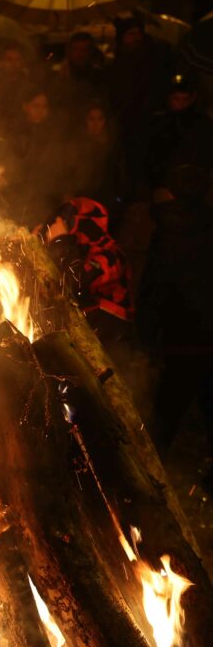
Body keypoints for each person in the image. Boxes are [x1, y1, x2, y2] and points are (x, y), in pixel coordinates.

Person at [136, 165, 213, 476]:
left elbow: (155, 289)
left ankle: (149, 475)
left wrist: (146, 337)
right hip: (204, 340)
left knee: (166, 414)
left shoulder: (169, 232)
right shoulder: (205, 225)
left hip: (181, 341)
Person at [37, 197, 134, 349]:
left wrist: (61, 241)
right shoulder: (71, 252)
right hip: (80, 336)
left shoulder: (111, 256)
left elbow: (75, 284)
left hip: (112, 344)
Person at [107, 17, 177, 190]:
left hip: (152, 126)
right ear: (122, 38)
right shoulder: (118, 63)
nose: (136, 37)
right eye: (131, 34)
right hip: (126, 127)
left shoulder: (156, 58)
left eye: (138, 33)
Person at [3, 87, 68, 226]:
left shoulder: (53, 134)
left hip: (45, 202)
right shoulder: (15, 132)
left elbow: (58, 168)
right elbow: (11, 166)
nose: (40, 110)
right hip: (18, 202)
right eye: (36, 106)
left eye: (44, 106)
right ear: (25, 106)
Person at [145, 73, 213, 193]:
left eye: (185, 99)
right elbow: (150, 157)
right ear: (169, 98)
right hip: (161, 188)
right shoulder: (158, 122)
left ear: (193, 98)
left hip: (191, 187)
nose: (181, 103)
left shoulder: (202, 124)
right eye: (176, 99)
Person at [70, 101, 129, 217]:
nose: (96, 124)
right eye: (91, 119)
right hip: (82, 205)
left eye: (100, 119)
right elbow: (70, 176)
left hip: (107, 206)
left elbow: (120, 178)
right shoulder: (78, 147)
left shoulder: (113, 147)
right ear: (85, 121)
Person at [52, 32, 108, 124]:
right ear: (70, 51)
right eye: (76, 49)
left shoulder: (100, 77)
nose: (79, 54)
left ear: (90, 52)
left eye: (84, 50)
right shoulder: (59, 77)